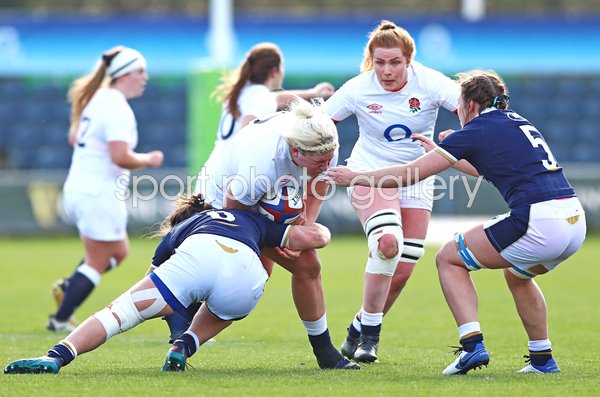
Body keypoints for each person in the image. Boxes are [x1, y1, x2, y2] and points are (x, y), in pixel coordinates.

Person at [325, 69, 587, 375]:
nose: (459, 112)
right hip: (572, 220)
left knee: (449, 258)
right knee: (518, 277)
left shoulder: (477, 130)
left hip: (538, 221)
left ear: (471, 105)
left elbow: (410, 174)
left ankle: (472, 345)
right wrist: (440, 151)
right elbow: (482, 169)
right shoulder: (515, 120)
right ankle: (543, 360)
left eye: (460, 106)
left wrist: (355, 177)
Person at [3, 194, 334, 374]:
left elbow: (152, 275)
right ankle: (184, 346)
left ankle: (57, 355)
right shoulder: (256, 222)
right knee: (224, 311)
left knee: (119, 313)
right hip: (245, 278)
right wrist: (312, 229)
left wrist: (157, 305)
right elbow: (315, 238)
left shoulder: (187, 228)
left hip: (197, 258)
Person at [323, 20, 460, 363]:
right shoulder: (357, 88)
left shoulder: (429, 82)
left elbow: (467, 107)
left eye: (394, 62)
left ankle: (357, 327)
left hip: (416, 180)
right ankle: (371, 335)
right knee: (387, 244)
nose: (386, 70)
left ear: (409, 60)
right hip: (368, 176)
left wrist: (469, 139)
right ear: (372, 60)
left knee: (402, 271)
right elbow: (320, 125)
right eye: (379, 62)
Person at [187, 98, 359, 370]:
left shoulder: (325, 142)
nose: (327, 166)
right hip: (223, 202)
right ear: (295, 152)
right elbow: (236, 209)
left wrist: (300, 229)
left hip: (257, 198)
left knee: (297, 264)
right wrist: (273, 239)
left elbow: (319, 183)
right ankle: (325, 353)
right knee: (277, 272)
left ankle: (185, 323)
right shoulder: (262, 165)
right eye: (320, 161)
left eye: (329, 160)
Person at [48, 46, 164, 332]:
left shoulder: (97, 98)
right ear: (123, 74)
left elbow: (74, 138)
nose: (145, 77)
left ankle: (70, 286)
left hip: (79, 188)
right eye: (140, 71)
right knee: (101, 258)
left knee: (118, 252)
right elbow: (120, 157)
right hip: (97, 194)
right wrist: (148, 159)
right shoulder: (117, 108)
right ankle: (60, 317)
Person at [213, 42, 334, 149]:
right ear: (274, 71)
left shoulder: (244, 91)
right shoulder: (261, 97)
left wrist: (313, 92)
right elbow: (245, 132)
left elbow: (279, 98)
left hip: (214, 167)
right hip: (229, 172)